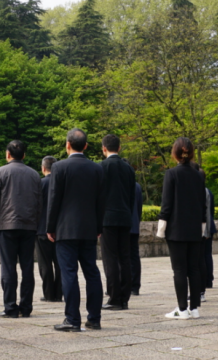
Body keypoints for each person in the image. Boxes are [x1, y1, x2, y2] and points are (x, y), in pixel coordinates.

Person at [47, 128, 106, 332]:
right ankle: (95, 318)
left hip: (65, 228)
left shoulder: (59, 167)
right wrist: (98, 226)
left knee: (69, 273)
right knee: (92, 272)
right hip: (89, 228)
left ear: (67, 144)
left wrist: (50, 226)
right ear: (86, 146)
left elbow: (54, 199)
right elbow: (101, 202)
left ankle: (72, 318)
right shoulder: (97, 169)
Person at [0, 140, 41, 318]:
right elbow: (39, 202)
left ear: (8, 154)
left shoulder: (1, 172)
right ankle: (26, 307)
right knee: (27, 267)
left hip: (6, 225)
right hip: (28, 225)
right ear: (24, 155)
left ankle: (10, 307)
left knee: (8, 267)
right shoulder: (34, 174)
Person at [158, 138, 206, 319]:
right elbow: (203, 205)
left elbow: (166, 205)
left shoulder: (171, 174)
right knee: (193, 269)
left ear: (175, 153)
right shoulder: (198, 175)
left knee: (179, 270)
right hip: (194, 228)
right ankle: (194, 308)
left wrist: (161, 228)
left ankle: (182, 309)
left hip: (176, 229)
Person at [100, 134, 136, 311]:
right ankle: (124, 298)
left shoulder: (102, 167)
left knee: (110, 258)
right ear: (119, 148)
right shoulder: (128, 169)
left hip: (107, 218)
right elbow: (131, 196)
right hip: (125, 216)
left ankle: (113, 297)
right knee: (125, 257)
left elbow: (98, 197)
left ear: (104, 148)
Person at [36, 156, 62, 302]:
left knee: (44, 264)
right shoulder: (61, 183)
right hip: (59, 229)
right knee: (59, 263)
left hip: (41, 228)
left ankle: (48, 294)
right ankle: (59, 293)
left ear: (43, 168)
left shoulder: (40, 183)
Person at [200, 165, 217, 299]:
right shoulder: (209, 191)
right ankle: (209, 280)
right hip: (210, 225)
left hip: (204, 226)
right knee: (207, 254)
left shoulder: (200, 191)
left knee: (203, 255)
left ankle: (205, 280)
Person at [130, 170, 144, 296]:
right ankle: (135, 286)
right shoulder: (137, 186)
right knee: (134, 256)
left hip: (121, 226)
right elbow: (139, 206)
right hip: (134, 224)